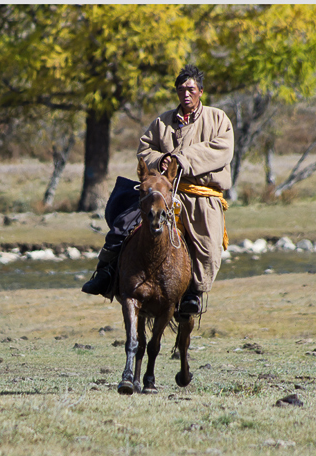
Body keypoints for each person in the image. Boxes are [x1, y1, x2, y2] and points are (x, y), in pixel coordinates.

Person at [82, 64, 234, 316]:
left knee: (207, 249)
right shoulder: (161, 122)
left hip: (202, 196)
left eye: (191, 89)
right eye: (181, 89)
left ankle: (192, 295)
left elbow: (222, 149)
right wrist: (160, 160)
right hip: (164, 193)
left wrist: (181, 158)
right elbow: (144, 150)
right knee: (124, 226)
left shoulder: (218, 119)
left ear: (201, 92)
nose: (186, 94)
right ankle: (106, 274)